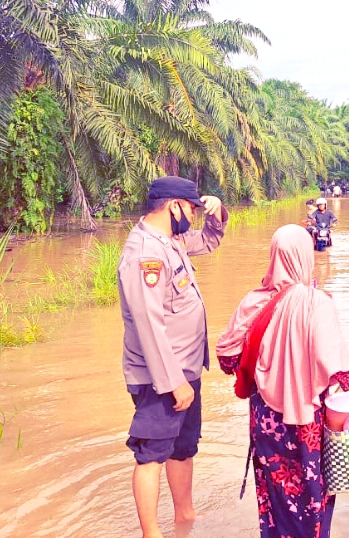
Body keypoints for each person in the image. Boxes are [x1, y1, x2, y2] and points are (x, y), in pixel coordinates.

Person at [216, 224, 349, 538]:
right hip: (308, 423)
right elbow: (340, 374)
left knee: (275, 493)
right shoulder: (317, 302)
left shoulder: (253, 301)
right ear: (306, 257)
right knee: (312, 492)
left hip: (266, 422)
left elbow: (227, 359)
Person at [118, 176, 227, 538]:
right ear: (173, 206)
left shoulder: (172, 241)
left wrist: (216, 213)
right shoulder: (146, 255)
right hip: (160, 377)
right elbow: (149, 325)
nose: (193, 217)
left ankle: (185, 517)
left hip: (184, 368)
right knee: (151, 454)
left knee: (182, 449)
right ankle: (153, 534)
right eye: (192, 209)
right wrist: (174, 382)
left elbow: (211, 240)